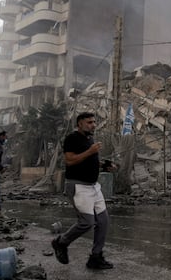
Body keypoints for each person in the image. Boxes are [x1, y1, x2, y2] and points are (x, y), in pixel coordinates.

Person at [51, 112, 114, 270]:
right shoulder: (72, 138)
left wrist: (104, 165)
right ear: (79, 124)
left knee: (103, 221)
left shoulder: (89, 139)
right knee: (87, 222)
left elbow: (88, 160)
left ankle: (95, 257)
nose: (93, 125)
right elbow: (70, 160)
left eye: (94, 122)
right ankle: (61, 242)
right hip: (79, 186)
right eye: (89, 122)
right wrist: (90, 151)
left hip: (93, 186)